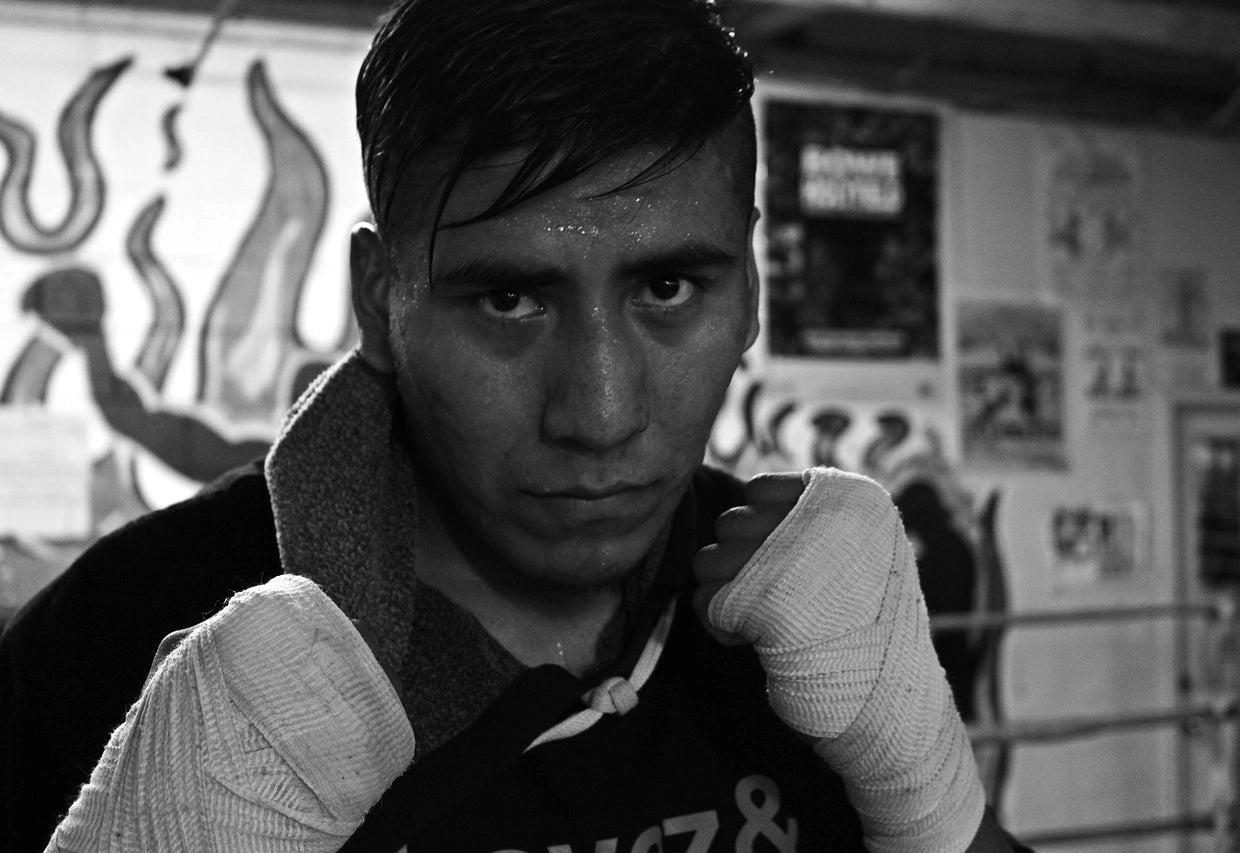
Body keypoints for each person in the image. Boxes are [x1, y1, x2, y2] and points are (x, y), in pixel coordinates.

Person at [0, 1, 1032, 851]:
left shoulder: (816, 632)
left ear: (751, 287)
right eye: (508, 300)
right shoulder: (122, 637)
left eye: (668, 285)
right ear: (380, 302)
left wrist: (928, 799)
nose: (601, 413)